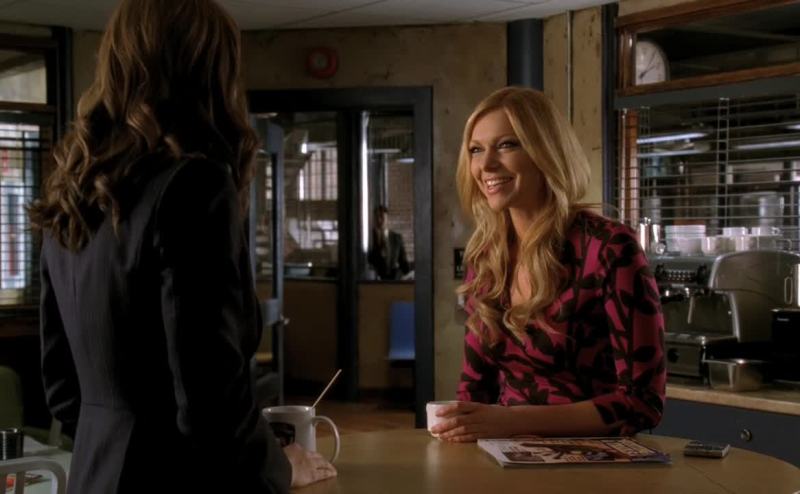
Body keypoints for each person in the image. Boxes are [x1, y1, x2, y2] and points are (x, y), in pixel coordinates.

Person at [27, 0, 335, 492]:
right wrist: (280, 467)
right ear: (210, 72)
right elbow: (210, 403)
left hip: (92, 475)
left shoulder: (73, 191)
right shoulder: (194, 186)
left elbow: (62, 390)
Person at [429, 87, 665, 442]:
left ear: (545, 151)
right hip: (503, 454)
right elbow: (474, 389)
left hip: (594, 460)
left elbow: (642, 402)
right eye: (476, 150)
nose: (486, 165)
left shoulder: (609, 248)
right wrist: (460, 429)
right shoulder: (486, 256)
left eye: (506, 145)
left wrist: (510, 422)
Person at [367, 205, 411, 280]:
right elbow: (368, 260)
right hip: (373, 281)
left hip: (392, 282)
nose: (379, 220)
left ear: (387, 219)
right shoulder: (369, 238)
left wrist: (410, 275)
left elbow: (403, 263)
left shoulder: (396, 238)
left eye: (382, 217)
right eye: (376, 217)